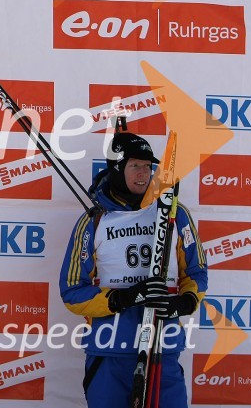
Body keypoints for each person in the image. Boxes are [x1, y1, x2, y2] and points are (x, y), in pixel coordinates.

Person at [59, 131, 207, 408]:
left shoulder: (175, 214)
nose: (143, 173)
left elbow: (196, 273)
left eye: (147, 166)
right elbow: (72, 292)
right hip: (109, 351)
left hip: (162, 349)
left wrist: (184, 303)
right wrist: (123, 298)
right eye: (134, 165)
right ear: (116, 168)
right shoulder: (94, 220)